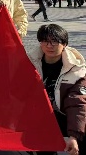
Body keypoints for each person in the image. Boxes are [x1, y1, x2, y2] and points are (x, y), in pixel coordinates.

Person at [28, 24, 86, 155]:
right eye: (45, 41)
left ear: (64, 44)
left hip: (64, 115)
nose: (49, 45)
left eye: (54, 41)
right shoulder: (29, 63)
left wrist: (74, 136)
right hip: (39, 117)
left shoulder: (76, 70)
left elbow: (77, 103)